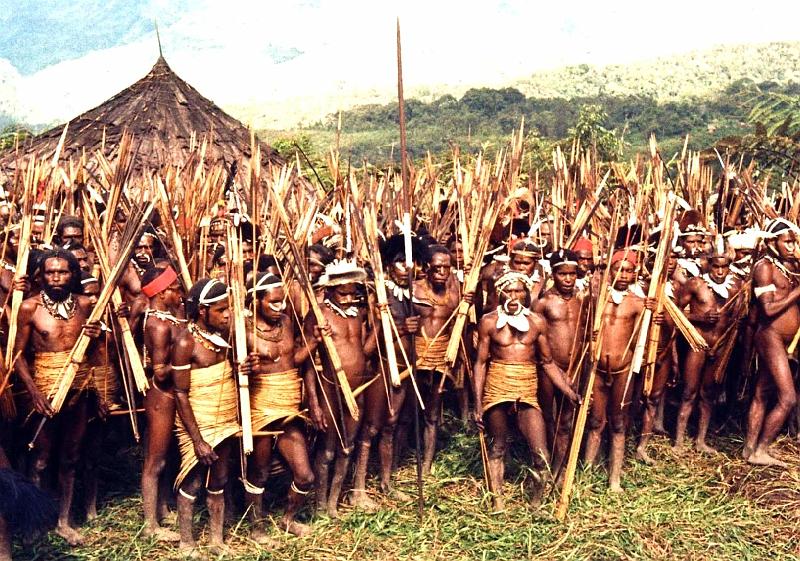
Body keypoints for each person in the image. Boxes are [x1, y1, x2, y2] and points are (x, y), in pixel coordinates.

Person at [12, 250, 101, 545]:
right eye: (50, 272)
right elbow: (18, 355)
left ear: (73, 274)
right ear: (41, 275)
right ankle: (36, 522)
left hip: (79, 390)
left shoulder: (86, 305)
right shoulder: (29, 308)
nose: (56, 277)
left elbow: (100, 353)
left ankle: (64, 521)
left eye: (63, 272)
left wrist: (97, 336)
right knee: (40, 458)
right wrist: (35, 393)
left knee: (70, 457)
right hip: (45, 392)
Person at [473, 271, 579, 510]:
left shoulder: (537, 322)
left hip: (526, 389)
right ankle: (497, 501)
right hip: (497, 387)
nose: (513, 296)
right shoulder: (489, 321)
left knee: (540, 454)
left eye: (518, 291)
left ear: (526, 293)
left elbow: (548, 362)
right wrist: (477, 404)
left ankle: (536, 502)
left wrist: (568, 392)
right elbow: (480, 363)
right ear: (499, 293)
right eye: (508, 291)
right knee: (498, 446)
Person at [243, 272, 324, 541]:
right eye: (273, 303)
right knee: (260, 472)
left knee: (305, 475)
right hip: (261, 410)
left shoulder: (287, 322)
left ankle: (287, 519)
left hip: (288, 410)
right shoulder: (241, 329)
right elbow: (232, 369)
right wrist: (244, 368)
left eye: (282, 302)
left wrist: (312, 342)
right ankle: (256, 526)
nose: (280, 308)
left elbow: (294, 360)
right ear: (256, 301)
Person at [171, 278, 248, 557]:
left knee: (220, 477)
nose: (228, 314)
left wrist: (245, 367)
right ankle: (186, 542)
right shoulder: (184, 342)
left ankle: (216, 541)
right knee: (192, 481)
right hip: (198, 422)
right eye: (221, 310)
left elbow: (235, 369)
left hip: (225, 417)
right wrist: (198, 440)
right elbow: (179, 392)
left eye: (228, 308)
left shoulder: (226, 337)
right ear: (202, 311)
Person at [351, 235, 421, 506]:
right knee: (372, 427)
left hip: (404, 369)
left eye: (410, 262)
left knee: (391, 426)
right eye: (400, 262)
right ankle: (358, 490)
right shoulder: (378, 297)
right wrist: (402, 329)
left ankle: (386, 482)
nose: (407, 267)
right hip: (382, 367)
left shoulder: (411, 293)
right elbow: (369, 346)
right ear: (389, 267)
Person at [304, 260, 376, 517]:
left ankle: (334, 503)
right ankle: (320, 506)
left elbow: (364, 351)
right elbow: (309, 363)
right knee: (328, 449)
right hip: (330, 388)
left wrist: (378, 325)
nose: (347, 299)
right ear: (329, 290)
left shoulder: (358, 315)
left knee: (348, 446)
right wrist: (313, 401)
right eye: (341, 293)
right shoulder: (318, 314)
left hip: (358, 388)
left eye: (352, 293)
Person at [584, 248, 655, 492]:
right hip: (597, 370)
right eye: (618, 269)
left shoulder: (637, 304)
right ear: (610, 270)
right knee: (595, 421)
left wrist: (653, 314)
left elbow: (640, 341)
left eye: (628, 270)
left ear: (634, 274)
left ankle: (614, 480)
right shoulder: (596, 299)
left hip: (623, 370)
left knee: (618, 423)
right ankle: (586, 474)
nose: (623, 275)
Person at [675, 248, 743, 453]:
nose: (720, 272)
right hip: (698, 343)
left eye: (724, 267)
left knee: (708, 393)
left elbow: (738, 316)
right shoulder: (696, 284)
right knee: (689, 392)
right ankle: (678, 442)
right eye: (716, 266)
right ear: (708, 265)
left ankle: (700, 441)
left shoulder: (737, 286)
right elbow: (676, 311)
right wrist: (699, 319)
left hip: (721, 346)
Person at [744, 218, 800, 466]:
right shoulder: (764, 268)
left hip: (784, 340)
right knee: (787, 398)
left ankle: (749, 448)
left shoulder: (789, 267)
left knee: (762, 392)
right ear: (771, 242)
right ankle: (760, 450)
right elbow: (767, 310)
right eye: (787, 242)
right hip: (770, 336)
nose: (792, 246)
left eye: (794, 242)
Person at [413, 245, 472, 474]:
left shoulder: (456, 296)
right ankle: (403, 458)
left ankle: (426, 465)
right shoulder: (413, 290)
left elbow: (462, 330)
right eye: (437, 268)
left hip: (440, 359)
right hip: (415, 357)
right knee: (407, 413)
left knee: (433, 413)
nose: (441, 273)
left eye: (446, 268)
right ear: (427, 267)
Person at [532, 249, 589, 473]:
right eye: (562, 274)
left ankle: (560, 467)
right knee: (548, 415)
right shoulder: (543, 304)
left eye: (572, 274)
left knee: (567, 417)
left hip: (576, 365)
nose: (568, 279)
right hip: (549, 367)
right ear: (553, 274)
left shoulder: (584, 301)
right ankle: (547, 460)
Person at [140, 265, 184, 542]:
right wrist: (186, 363)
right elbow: (159, 370)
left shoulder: (170, 318)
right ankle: (150, 526)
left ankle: (163, 510)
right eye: (176, 288)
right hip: (161, 396)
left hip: (171, 394)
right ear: (162, 292)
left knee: (168, 458)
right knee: (155, 461)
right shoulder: (158, 325)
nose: (179, 293)